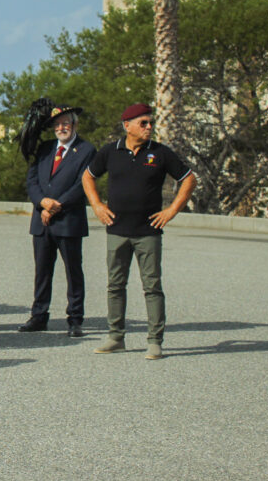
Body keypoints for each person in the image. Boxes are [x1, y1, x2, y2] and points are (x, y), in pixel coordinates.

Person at [82, 103, 196, 360]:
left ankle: (155, 340)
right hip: (117, 230)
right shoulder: (111, 152)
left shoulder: (160, 153)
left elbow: (188, 178)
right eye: (143, 123)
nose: (149, 127)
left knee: (152, 287)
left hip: (148, 232)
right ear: (127, 126)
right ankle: (115, 336)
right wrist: (97, 205)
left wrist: (171, 211)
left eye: (150, 122)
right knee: (115, 285)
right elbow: (88, 177)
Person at [20, 104, 96, 337]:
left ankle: (75, 318)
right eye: (57, 124)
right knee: (42, 271)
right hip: (41, 221)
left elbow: (82, 184)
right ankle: (39, 315)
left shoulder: (86, 150)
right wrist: (42, 202)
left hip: (68, 220)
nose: (61, 128)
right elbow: (32, 181)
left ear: (75, 125)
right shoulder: (44, 149)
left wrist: (56, 206)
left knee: (73, 271)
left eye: (66, 123)